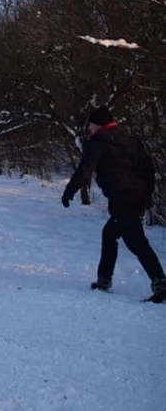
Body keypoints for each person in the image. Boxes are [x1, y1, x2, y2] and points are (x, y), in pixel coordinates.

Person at [61, 105, 165, 302]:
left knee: (136, 241)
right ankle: (104, 280)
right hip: (136, 196)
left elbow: (84, 171)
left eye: (91, 125)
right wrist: (147, 194)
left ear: (98, 125)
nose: (89, 129)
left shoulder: (98, 143)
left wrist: (69, 192)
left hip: (122, 197)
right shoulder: (131, 140)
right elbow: (148, 169)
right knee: (110, 234)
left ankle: (160, 282)